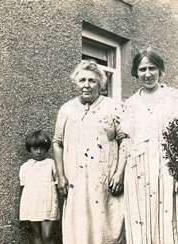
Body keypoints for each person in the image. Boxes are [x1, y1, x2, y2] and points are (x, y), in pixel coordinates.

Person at [52, 60, 127, 244]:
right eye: (82, 80)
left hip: (105, 181)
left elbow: (125, 139)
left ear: (100, 84)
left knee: (107, 228)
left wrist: (119, 173)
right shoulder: (67, 110)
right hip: (75, 182)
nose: (87, 85)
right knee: (79, 229)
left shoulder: (113, 106)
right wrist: (61, 176)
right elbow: (57, 142)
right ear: (76, 83)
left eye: (92, 81)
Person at [118, 48, 178, 243]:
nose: (148, 74)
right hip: (138, 170)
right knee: (140, 222)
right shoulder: (131, 104)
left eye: (152, 68)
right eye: (142, 69)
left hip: (168, 168)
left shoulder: (173, 98)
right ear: (136, 72)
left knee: (168, 222)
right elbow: (126, 140)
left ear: (160, 70)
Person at [19, 130, 60, 244]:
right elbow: (23, 187)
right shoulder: (25, 167)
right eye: (35, 149)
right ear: (30, 149)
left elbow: (58, 182)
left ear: (46, 149)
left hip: (47, 203)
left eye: (41, 148)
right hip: (32, 204)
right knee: (36, 235)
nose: (38, 152)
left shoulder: (51, 164)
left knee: (48, 236)